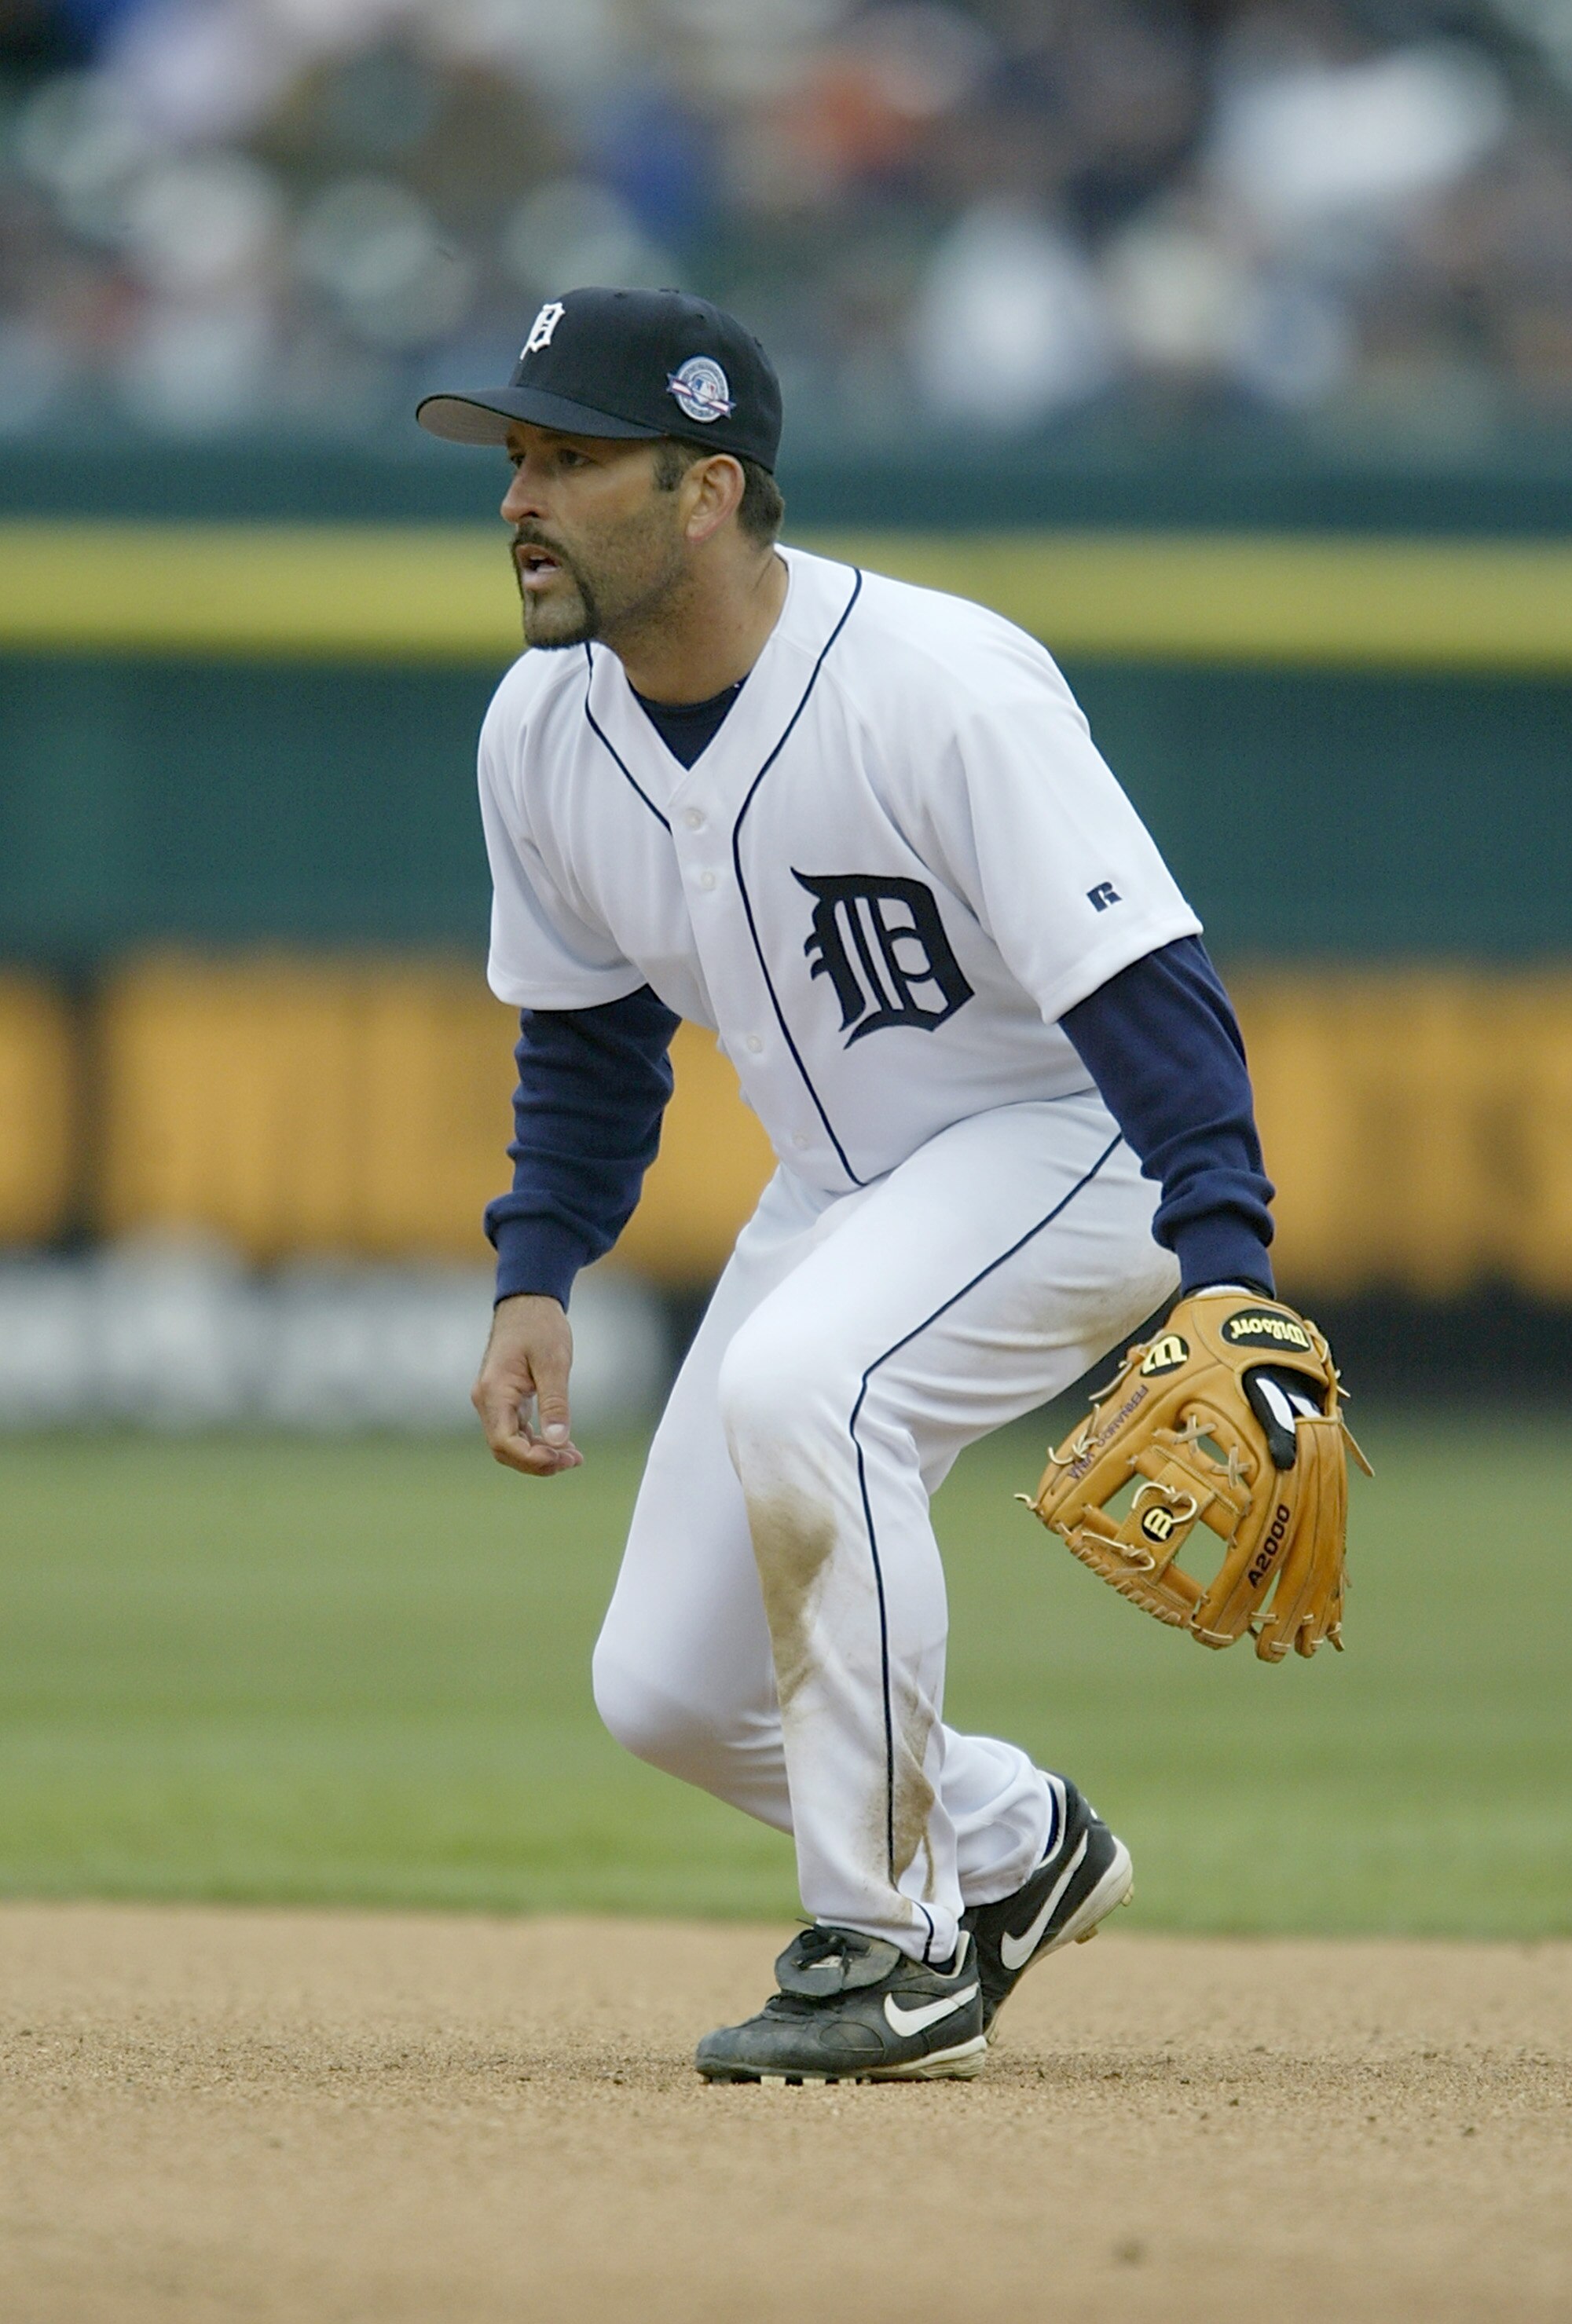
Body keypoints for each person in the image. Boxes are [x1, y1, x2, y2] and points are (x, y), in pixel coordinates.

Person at [417, 287, 1277, 2084]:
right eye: (515, 459)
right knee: (666, 1690)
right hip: (845, 1188)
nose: (519, 500)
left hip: (1070, 1142)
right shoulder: (539, 729)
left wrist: (1222, 1263)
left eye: (568, 460)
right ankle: (1012, 1844)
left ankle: (891, 1952)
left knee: (806, 1382)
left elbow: (1141, 978)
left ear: (707, 489)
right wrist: (536, 1270)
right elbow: (587, 1040)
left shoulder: (936, 685)